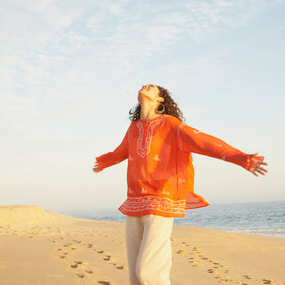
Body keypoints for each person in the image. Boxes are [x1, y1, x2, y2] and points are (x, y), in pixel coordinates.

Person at [93, 84, 268, 285]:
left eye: (152, 88)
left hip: (161, 202)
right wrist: (104, 162)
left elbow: (202, 141)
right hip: (134, 203)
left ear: (160, 100)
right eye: (144, 85)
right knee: (135, 278)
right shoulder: (133, 128)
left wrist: (239, 158)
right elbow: (122, 151)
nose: (146, 86)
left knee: (148, 274)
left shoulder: (170, 124)